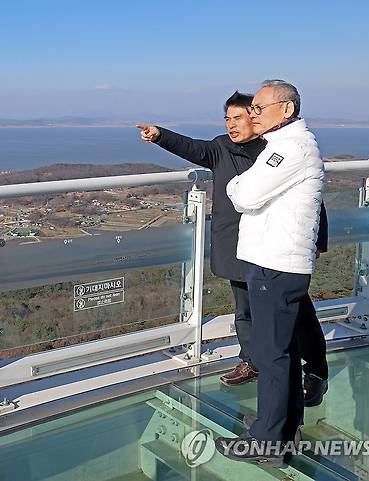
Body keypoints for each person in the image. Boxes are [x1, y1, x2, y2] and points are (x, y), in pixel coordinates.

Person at [137, 91, 328, 407]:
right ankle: (252, 361)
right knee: (245, 310)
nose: (231, 124)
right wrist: (159, 136)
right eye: (227, 118)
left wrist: (318, 239)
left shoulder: (277, 151)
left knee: (297, 313)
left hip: (277, 248)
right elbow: (192, 148)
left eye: (238, 117)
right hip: (235, 244)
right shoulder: (220, 149)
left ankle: (315, 370)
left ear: (256, 117)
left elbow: (311, 198)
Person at [215, 79, 325, 465]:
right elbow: (250, 188)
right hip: (271, 262)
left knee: (272, 355)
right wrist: (245, 184)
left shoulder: (291, 149)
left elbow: (243, 194)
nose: (253, 115)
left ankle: (265, 442)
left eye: (260, 109)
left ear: (287, 110)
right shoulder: (280, 147)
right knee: (284, 352)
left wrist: (238, 185)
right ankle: (281, 429)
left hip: (276, 265)